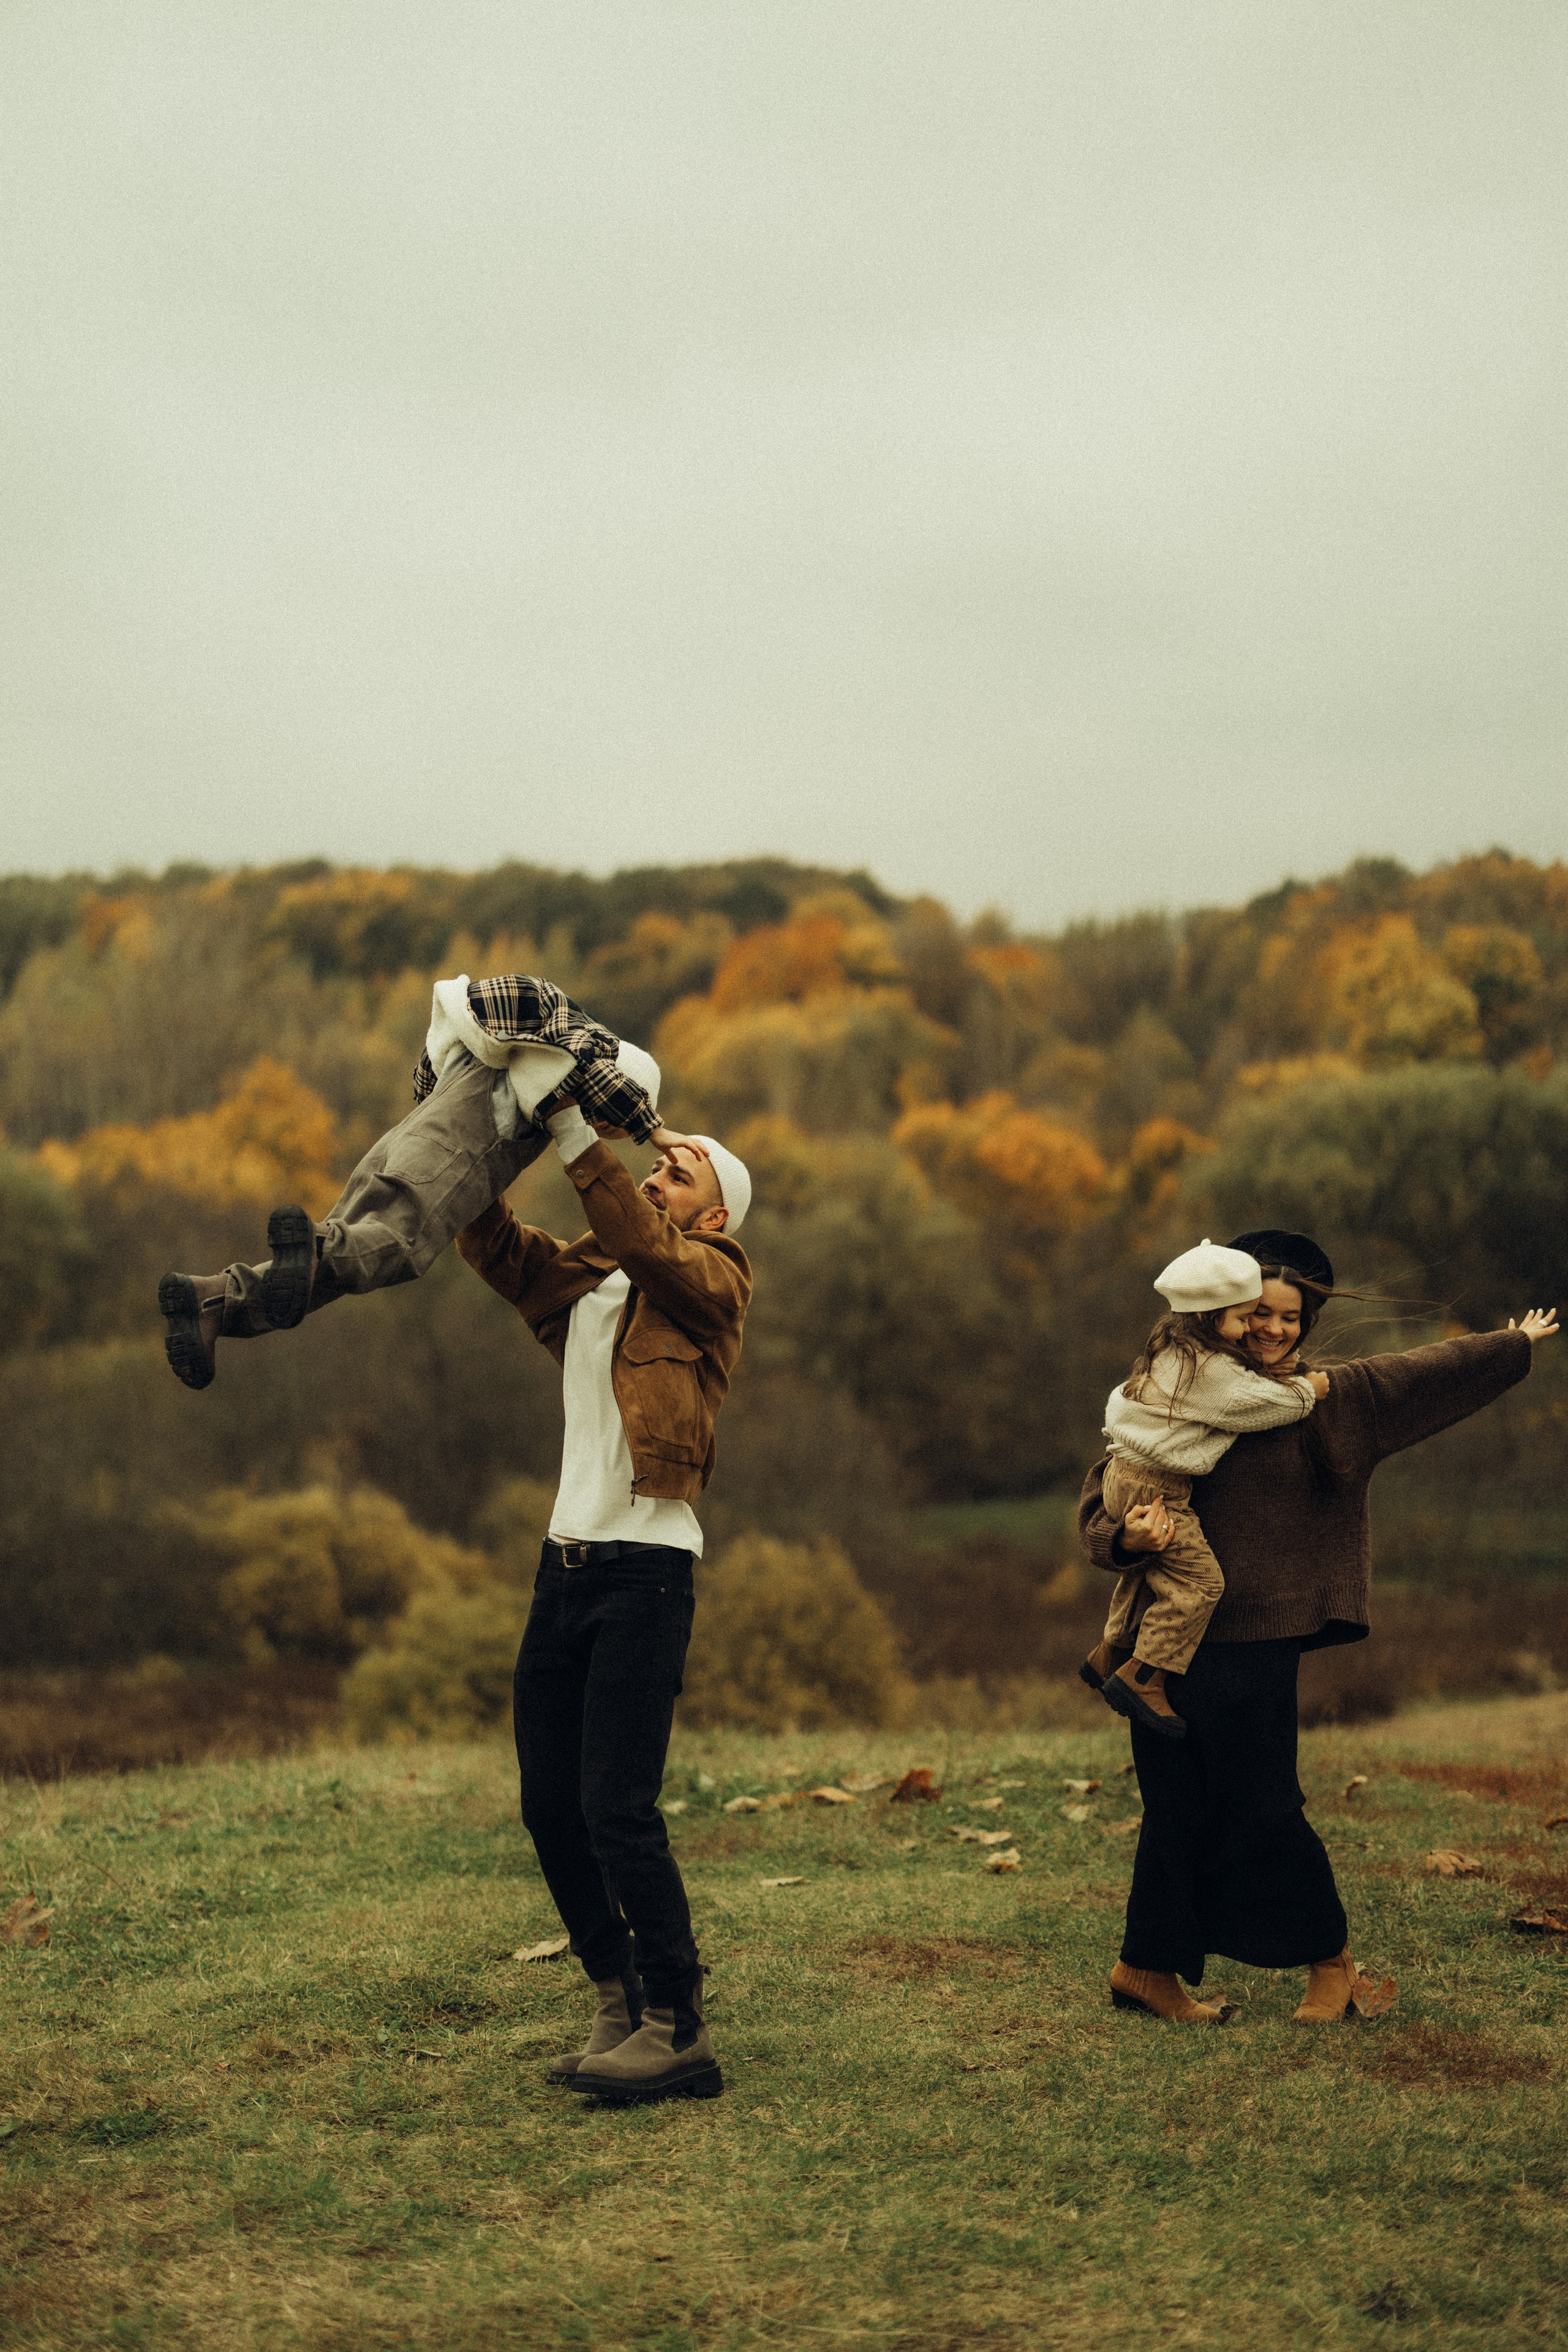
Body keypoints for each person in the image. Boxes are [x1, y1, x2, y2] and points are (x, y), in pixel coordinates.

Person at [1078, 1227, 1558, 2026]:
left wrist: (1514, 1345)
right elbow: (1104, 1500)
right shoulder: (1177, 1385)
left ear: (1306, 1324)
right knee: (1174, 1809)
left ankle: (1331, 1966)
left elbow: (1423, 1374)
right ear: (1225, 1313)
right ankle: (1145, 1971)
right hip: (1163, 1649)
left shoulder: (1335, 1401)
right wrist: (1129, 1540)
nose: (1271, 1329)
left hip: (1257, 1642)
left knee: (1265, 1804)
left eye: (1289, 1318)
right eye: (1256, 1313)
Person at [455, 1097, 752, 2104]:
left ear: (715, 1221)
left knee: (617, 1808)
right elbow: (487, 1236)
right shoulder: (590, 1276)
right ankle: (618, 1997)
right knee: (550, 1806)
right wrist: (492, 1121)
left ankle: (681, 2027)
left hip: (647, 1568)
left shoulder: (714, 1282)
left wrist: (591, 1140)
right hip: (566, 1564)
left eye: (679, 1176)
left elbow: (639, 1230)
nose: (655, 1177)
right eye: (656, 1169)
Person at [156, 970, 696, 1389]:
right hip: (446, 1158)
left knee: (324, 1273)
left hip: (399, 1144)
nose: (598, 1130)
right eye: (604, 1123)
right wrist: (655, 1131)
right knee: (400, 1247)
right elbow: (598, 1074)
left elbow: (429, 1080)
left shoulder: (487, 1056)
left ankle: (213, 1301)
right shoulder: (567, 1062)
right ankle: (316, 1241)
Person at [1086, 1237, 1324, 1740]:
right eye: (1245, 1317)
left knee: (1151, 1574)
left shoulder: (1176, 1349)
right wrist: (1308, 1391)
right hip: (1158, 1487)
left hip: (1127, 1474)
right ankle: (1143, 1676)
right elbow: (1263, 1406)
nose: (1250, 1329)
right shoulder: (1210, 1371)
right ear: (1212, 1316)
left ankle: (1110, 1654)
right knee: (1199, 1585)